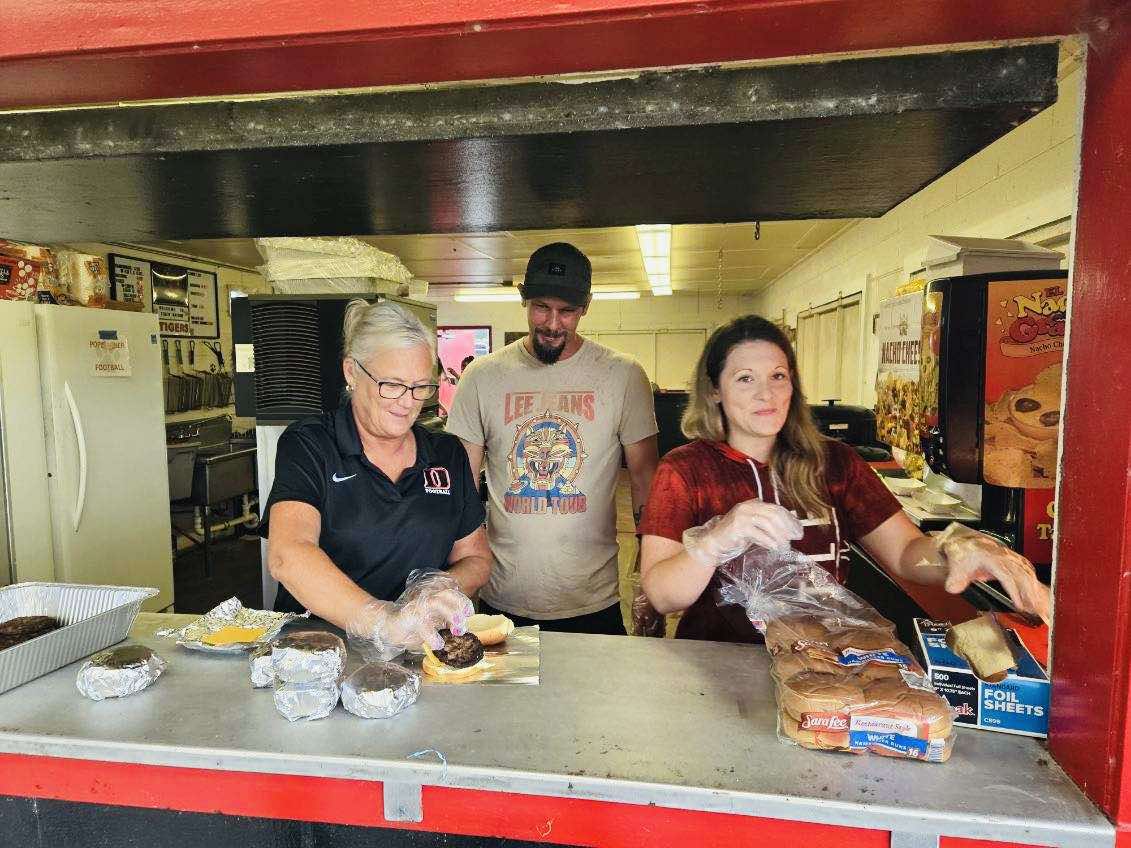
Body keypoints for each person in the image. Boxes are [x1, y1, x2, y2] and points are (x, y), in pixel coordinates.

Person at [638, 314, 1050, 643]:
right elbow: (660, 593)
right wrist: (716, 540)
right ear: (714, 390)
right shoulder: (686, 469)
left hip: (824, 662)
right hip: (717, 667)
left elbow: (907, 553)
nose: (766, 393)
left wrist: (953, 551)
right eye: (745, 378)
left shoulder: (835, 463)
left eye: (778, 376)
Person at [446, 242, 660, 634]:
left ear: (586, 307)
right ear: (524, 300)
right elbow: (459, 488)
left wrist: (650, 577)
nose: (552, 323)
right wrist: (455, 582)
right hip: (502, 595)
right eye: (541, 307)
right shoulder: (482, 377)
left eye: (567, 311)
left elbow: (647, 482)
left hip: (594, 598)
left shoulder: (623, 376)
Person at [263, 299, 490, 652]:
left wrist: (435, 590)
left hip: (420, 650)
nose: (407, 402)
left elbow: (476, 559)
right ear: (352, 372)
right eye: (392, 384)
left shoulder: (446, 455)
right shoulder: (311, 445)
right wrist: (383, 621)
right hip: (319, 656)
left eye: (420, 387)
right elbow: (288, 554)